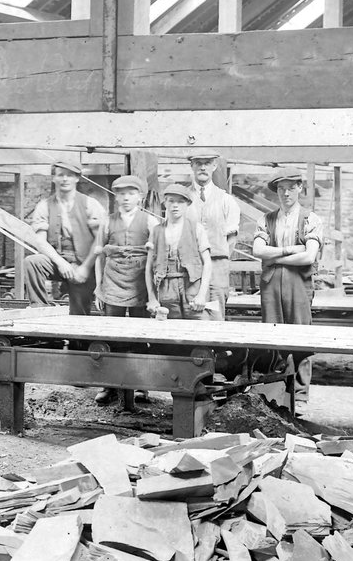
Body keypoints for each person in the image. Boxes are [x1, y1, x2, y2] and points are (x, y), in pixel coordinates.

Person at [251, 172, 323, 405]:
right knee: (272, 335)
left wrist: (275, 258)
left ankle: (299, 395)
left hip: (298, 283)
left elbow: (308, 256)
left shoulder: (310, 219)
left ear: (299, 188)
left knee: (300, 335)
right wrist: (289, 250)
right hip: (271, 284)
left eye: (291, 188)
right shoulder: (266, 219)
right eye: (281, 188)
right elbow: (258, 250)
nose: (286, 193)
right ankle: (276, 393)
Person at [93, 174, 158, 404]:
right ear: (116, 197)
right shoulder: (107, 222)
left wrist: (153, 294)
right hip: (113, 282)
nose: (126, 198)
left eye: (131, 193)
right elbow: (99, 256)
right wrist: (99, 288)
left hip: (140, 282)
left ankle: (141, 386)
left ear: (140, 197)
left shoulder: (150, 222)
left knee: (140, 336)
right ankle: (109, 385)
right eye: (121, 194)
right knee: (111, 335)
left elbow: (156, 258)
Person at [22, 161, 106, 317]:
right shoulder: (44, 206)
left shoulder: (90, 204)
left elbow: (100, 240)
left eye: (69, 175)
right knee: (32, 262)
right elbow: (40, 241)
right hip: (57, 261)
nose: (65, 179)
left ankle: (79, 327)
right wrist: (61, 263)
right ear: (54, 178)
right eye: (60, 175)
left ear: (77, 178)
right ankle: (39, 309)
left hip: (84, 264)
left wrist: (85, 267)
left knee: (79, 314)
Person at [184, 149, 241, 319]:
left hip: (218, 268)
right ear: (192, 166)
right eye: (198, 163)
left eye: (207, 163)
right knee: (192, 314)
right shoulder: (181, 199)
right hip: (190, 269)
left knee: (215, 314)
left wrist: (219, 261)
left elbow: (231, 239)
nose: (203, 167)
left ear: (214, 166)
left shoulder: (226, 200)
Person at [146, 183, 214, 320]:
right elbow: (148, 267)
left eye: (180, 202)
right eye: (171, 201)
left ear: (187, 204)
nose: (175, 206)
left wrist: (201, 295)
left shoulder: (197, 229)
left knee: (199, 326)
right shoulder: (156, 231)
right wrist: (152, 298)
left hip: (192, 288)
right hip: (166, 290)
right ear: (165, 203)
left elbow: (207, 263)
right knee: (169, 328)